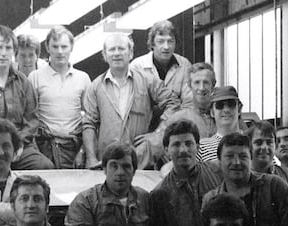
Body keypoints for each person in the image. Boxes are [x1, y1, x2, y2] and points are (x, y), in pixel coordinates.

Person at [82, 33, 179, 169]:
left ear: (131, 53)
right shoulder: (95, 87)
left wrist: (157, 133)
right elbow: (88, 124)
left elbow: (173, 103)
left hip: (140, 162)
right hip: (106, 163)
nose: (117, 53)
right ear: (104, 55)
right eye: (112, 49)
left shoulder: (148, 80)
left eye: (121, 49)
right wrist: (91, 158)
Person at [203, 132, 288, 226]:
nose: (236, 162)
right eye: (229, 156)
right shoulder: (211, 199)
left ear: (251, 159)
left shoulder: (275, 186)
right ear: (219, 162)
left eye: (243, 156)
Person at [0, 25, 54, 170]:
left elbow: (32, 120)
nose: (4, 53)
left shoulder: (23, 82)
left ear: (13, 51)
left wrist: (17, 143)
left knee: (44, 166)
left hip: (18, 147)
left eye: (8, 48)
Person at [149, 119, 222, 226]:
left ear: (198, 146)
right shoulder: (159, 193)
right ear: (166, 150)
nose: (183, 150)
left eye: (188, 143)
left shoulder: (218, 174)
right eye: (176, 144)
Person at [29, 26, 91, 168]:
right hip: (45, 148)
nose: (60, 51)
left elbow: (90, 119)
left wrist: (83, 150)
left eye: (64, 46)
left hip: (74, 149)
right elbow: (30, 118)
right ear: (47, 48)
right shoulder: (35, 77)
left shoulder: (83, 78)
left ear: (71, 47)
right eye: (55, 46)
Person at [130, 20, 193, 122]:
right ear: (152, 44)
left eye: (170, 41)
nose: (166, 47)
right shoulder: (136, 67)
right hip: (144, 127)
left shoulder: (185, 65)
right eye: (160, 41)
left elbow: (189, 103)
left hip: (176, 125)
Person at [247, 120, 288, 193]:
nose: (264, 147)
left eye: (269, 142)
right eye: (258, 142)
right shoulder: (241, 177)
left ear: (275, 145)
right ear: (249, 146)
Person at [197, 86, 243, 163]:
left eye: (231, 104)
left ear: (239, 109)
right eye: (220, 105)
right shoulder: (201, 148)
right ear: (212, 112)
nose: (226, 110)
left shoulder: (252, 141)